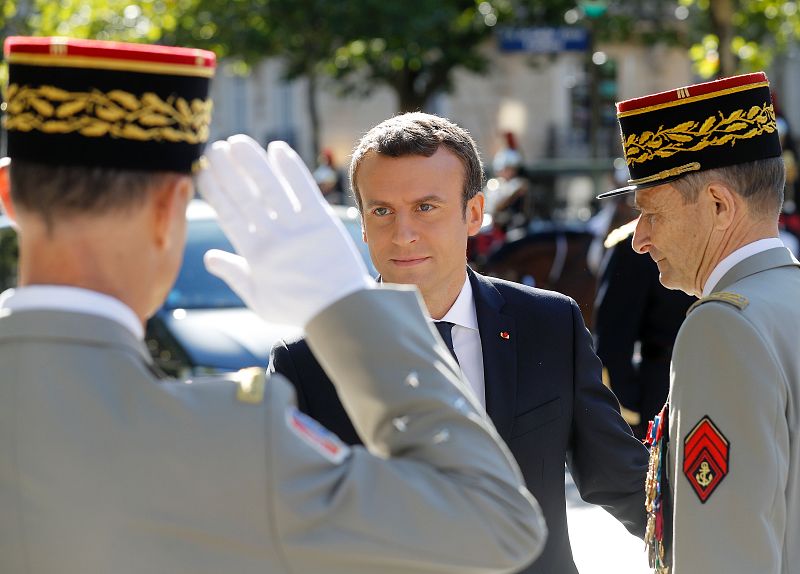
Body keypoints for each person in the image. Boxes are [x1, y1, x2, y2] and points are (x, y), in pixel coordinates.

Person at [0, 37, 548, 574]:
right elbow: (496, 523)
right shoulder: (231, 441)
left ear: (8, 193)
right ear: (172, 206)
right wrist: (348, 308)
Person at [270, 112, 650, 574]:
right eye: (382, 210)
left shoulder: (549, 325)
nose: (403, 233)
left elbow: (617, 476)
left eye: (426, 207)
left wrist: (723, 542)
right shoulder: (308, 360)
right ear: (363, 223)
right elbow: (285, 522)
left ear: (474, 213)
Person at [598, 71, 800, 573]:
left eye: (651, 213)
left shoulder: (723, 328)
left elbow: (724, 552)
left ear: (718, 205)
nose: (639, 239)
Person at [593, 218, 695, 439]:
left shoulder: (722, 235)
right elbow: (613, 340)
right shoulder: (633, 246)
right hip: (659, 393)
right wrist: (632, 410)